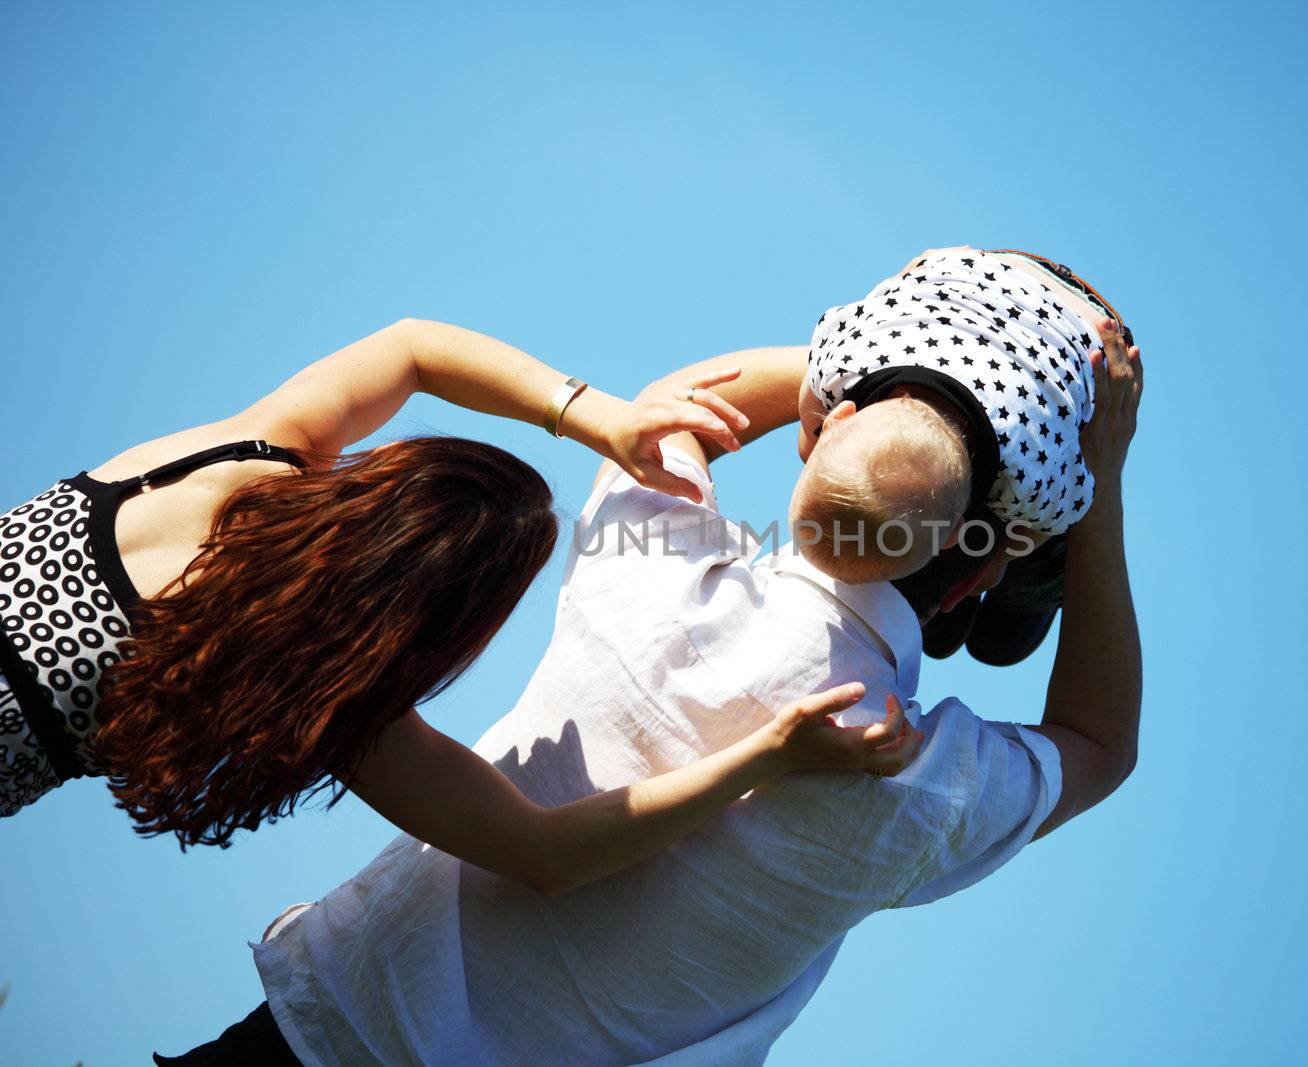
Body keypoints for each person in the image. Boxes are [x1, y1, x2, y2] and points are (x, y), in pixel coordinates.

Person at [181, 317, 1144, 1065]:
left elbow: (673, 407)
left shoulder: (647, 564)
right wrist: (1100, 487)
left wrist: (904, 378)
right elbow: (1099, 742)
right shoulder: (922, 785)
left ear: (821, 437)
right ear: (975, 580)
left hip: (329, 1021)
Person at [0, 317, 919, 894]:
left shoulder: (228, 463)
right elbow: (545, 853)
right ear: (438, 626)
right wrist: (769, 751)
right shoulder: (307, 688)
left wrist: (592, 413)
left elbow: (410, 347)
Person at [794, 245, 1137, 664]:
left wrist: (1001, 556)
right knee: (810, 449)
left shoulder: (1033, 475)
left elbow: (1051, 520)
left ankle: (1016, 586)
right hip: (973, 271)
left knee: (1005, 624)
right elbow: (810, 429)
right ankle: (949, 594)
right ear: (840, 418)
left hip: (1091, 343)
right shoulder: (843, 365)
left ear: (957, 528)